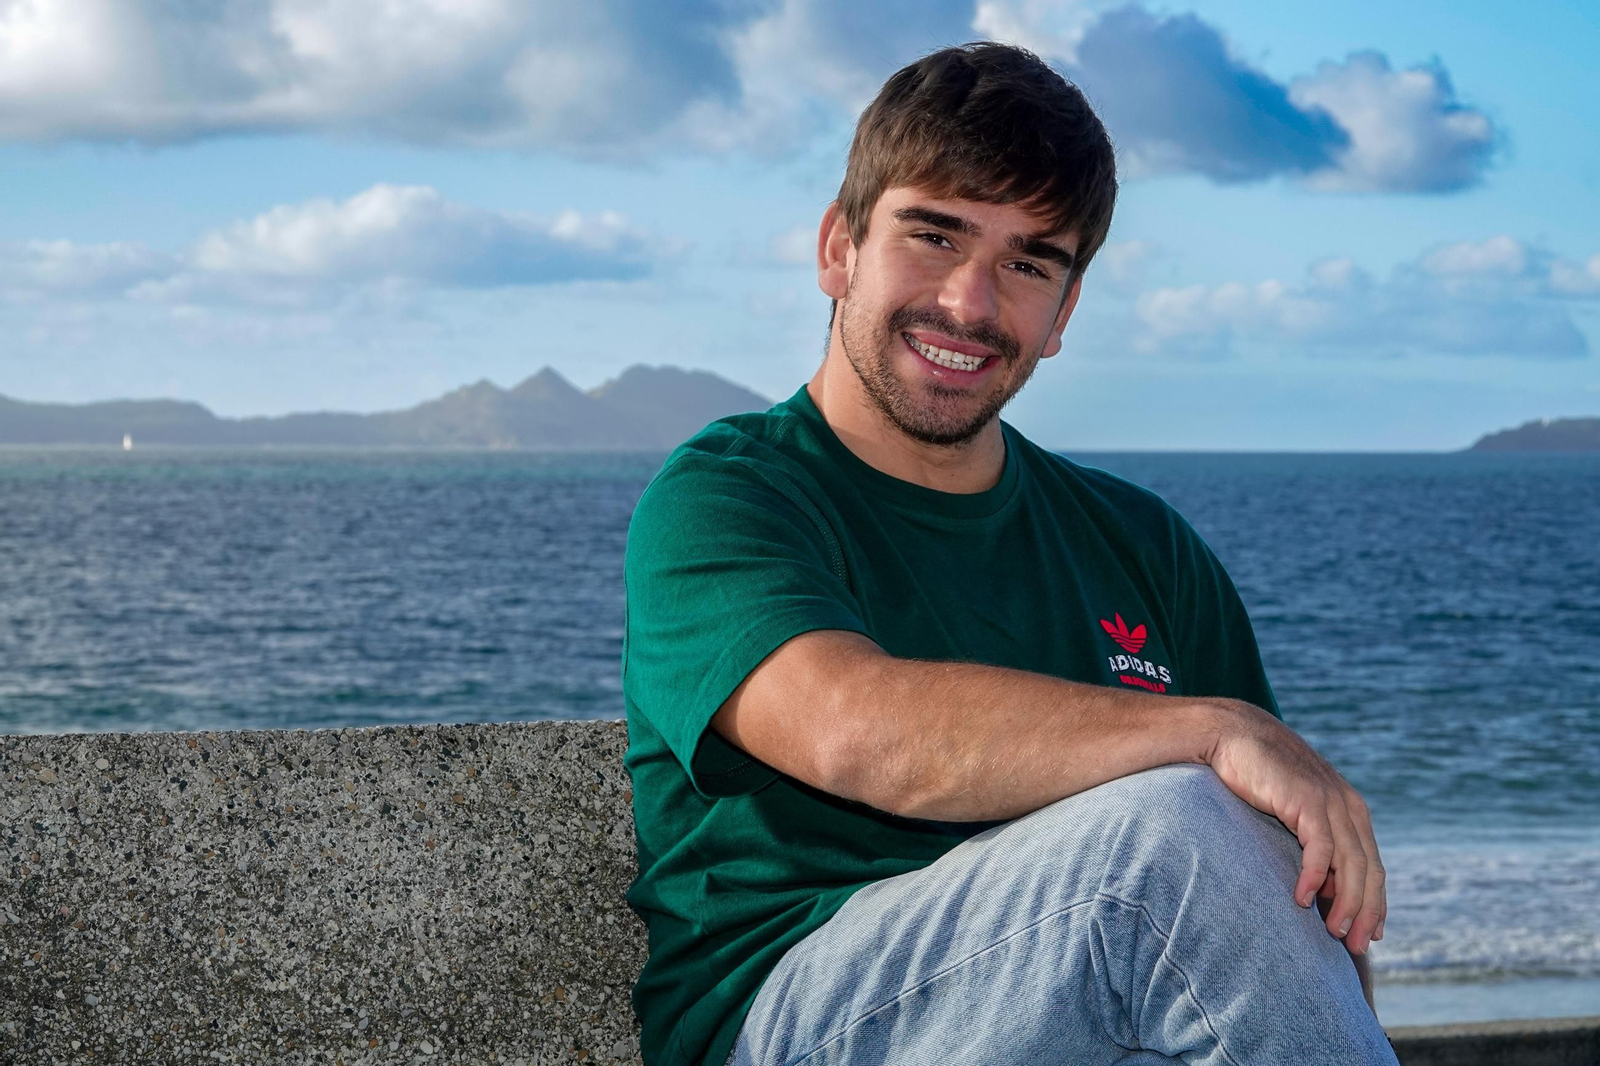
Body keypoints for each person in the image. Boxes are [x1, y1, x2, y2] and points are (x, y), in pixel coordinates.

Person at [621, 41, 1395, 1066]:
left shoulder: (1143, 545)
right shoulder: (729, 494)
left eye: (1027, 262)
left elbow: (1290, 892)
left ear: (1064, 312)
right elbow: (857, 730)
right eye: (933, 235)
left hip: (1098, 1022)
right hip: (797, 1016)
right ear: (838, 248)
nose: (970, 304)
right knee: (1168, 840)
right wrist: (1205, 731)